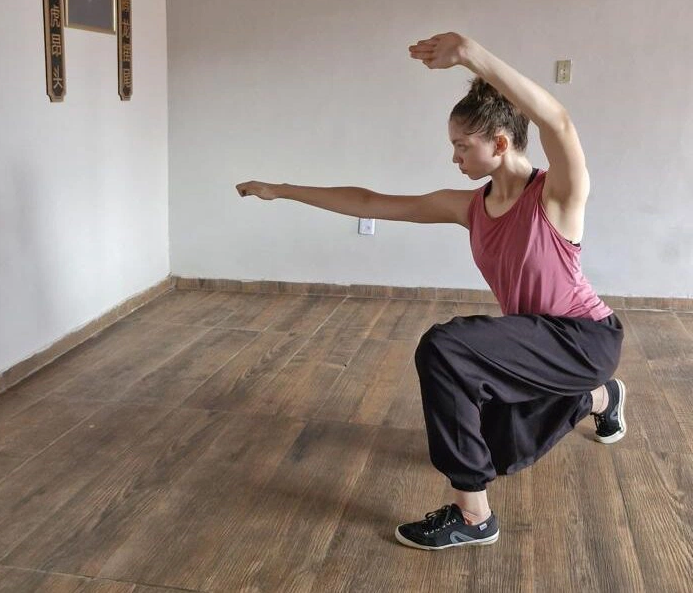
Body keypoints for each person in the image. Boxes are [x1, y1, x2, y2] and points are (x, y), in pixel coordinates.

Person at [235, 32, 626, 551]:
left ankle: (473, 516)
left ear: (501, 144)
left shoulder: (556, 194)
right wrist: (283, 190)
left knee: (445, 347)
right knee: (498, 450)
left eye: (463, 146)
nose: (455, 158)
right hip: (534, 344)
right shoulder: (470, 207)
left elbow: (559, 122)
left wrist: (471, 53)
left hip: (583, 338)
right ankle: (602, 395)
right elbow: (373, 202)